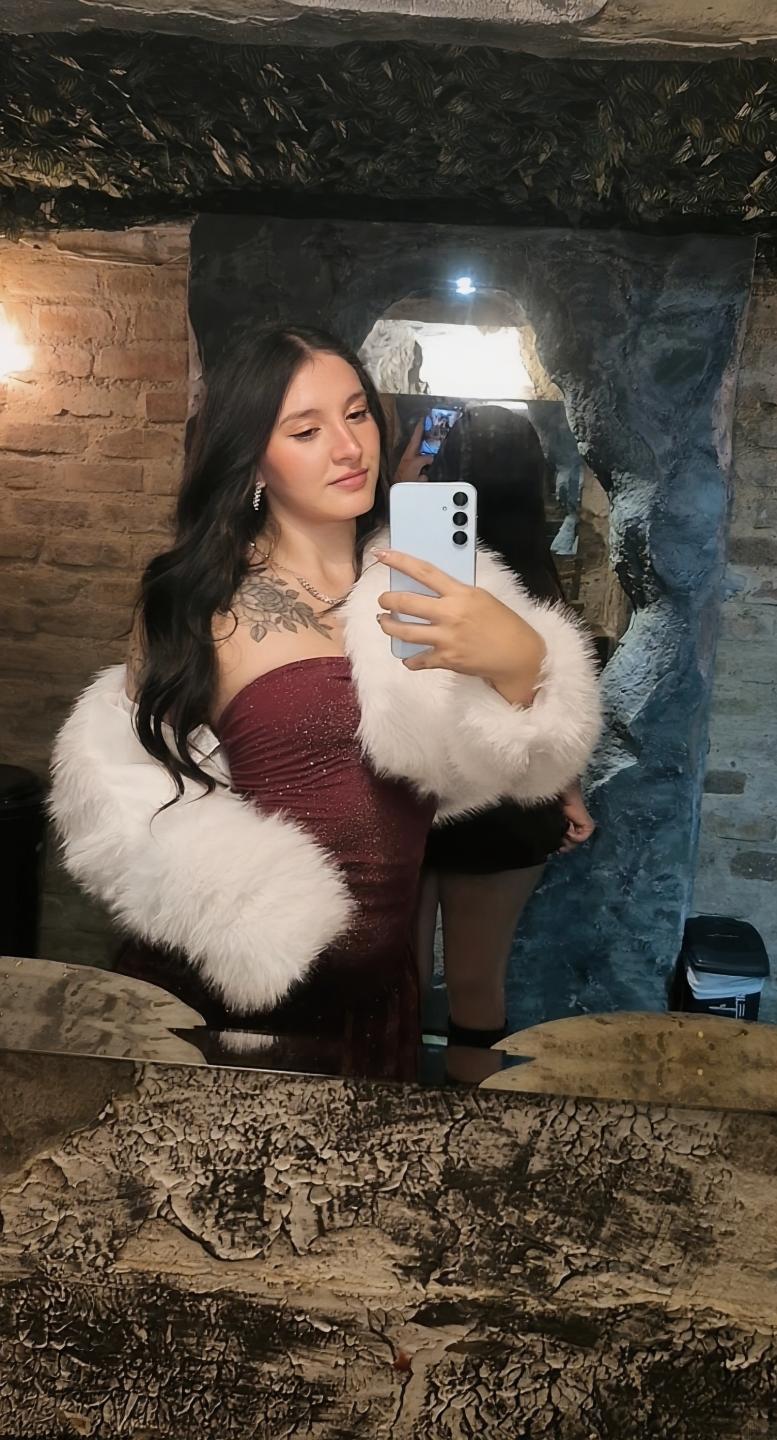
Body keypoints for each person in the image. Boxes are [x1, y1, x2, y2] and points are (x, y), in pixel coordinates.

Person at [49, 325, 602, 1082]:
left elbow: (500, 767)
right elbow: (132, 790)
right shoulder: (198, 601)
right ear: (253, 457)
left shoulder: (440, 588)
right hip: (231, 999)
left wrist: (521, 662)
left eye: (357, 414)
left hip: (377, 1000)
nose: (349, 448)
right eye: (306, 430)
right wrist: (245, 920)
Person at [411, 405, 598, 1053]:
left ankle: (389, 1107)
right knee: (476, 986)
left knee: (398, 985)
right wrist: (569, 792)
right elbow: (552, 699)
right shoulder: (533, 575)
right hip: (503, 802)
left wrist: (403, 490)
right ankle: (470, 1115)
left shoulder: (411, 560)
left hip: (414, 789)